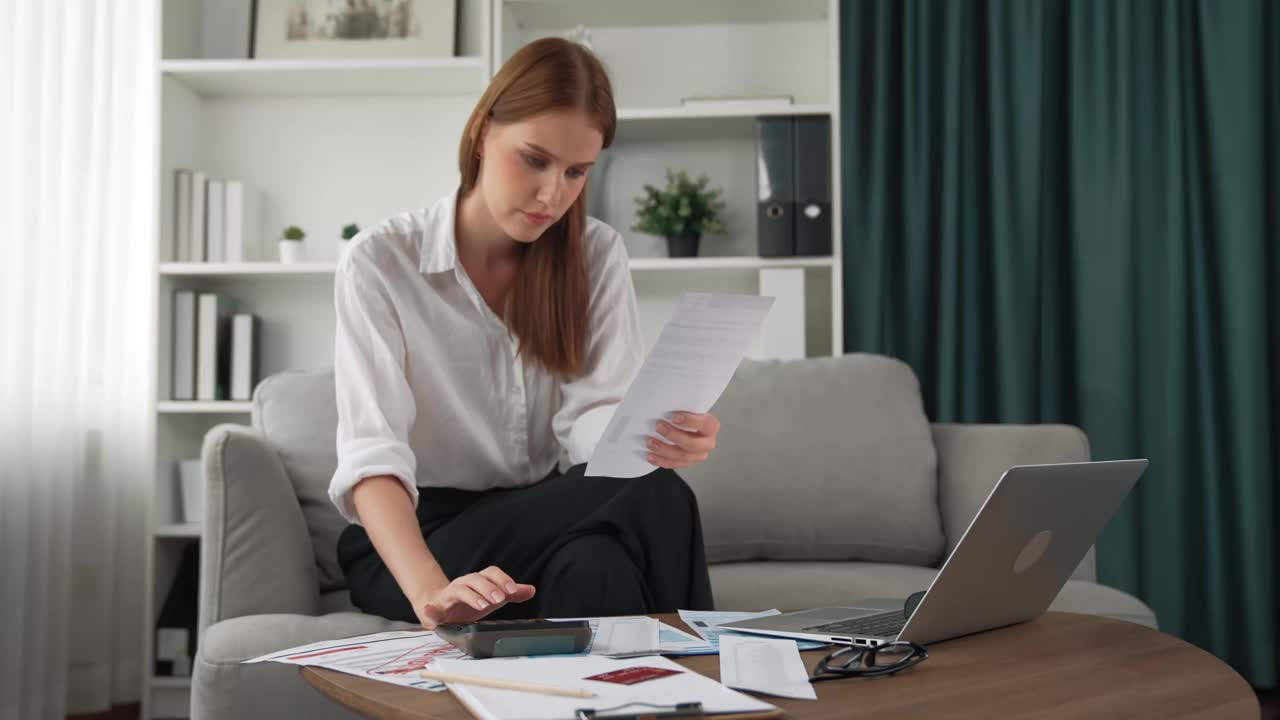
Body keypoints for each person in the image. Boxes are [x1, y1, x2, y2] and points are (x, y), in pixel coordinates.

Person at [329, 37, 719, 631]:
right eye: (534, 159)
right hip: (423, 540)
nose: (553, 194)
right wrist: (433, 594)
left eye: (576, 172)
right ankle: (715, 682)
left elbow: (596, 419)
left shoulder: (595, 253)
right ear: (483, 131)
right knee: (656, 495)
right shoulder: (381, 260)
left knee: (595, 566)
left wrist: (655, 437)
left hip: (550, 511)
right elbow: (372, 455)